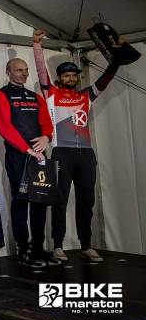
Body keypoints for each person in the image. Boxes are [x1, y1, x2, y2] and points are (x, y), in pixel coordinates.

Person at [33, 29, 119, 263]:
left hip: (86, 155)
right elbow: (41, 72)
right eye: (67, 75)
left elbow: (105, 80)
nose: (71, 78)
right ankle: (58, 246)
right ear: (60, 78)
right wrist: (37, 45)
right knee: (59, 201)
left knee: (86, 202)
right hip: (62, 152)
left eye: (74, 75)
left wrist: (116, 61)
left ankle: (86, 245)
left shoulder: (85, 96)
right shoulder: (51, 94)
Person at [0, 58, 58, 268]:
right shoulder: (0, 95)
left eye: (26, 70)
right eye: (19, 70)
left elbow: (47, 122)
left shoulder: (35, 97)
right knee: (21, 202)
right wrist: (27, 149)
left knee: (40, 201)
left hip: (39, 155)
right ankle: (23, 249)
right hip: (19, 155)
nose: (24, 73)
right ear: (8, 72)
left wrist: (46, 137)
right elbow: (4, 127)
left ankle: (38, 247)